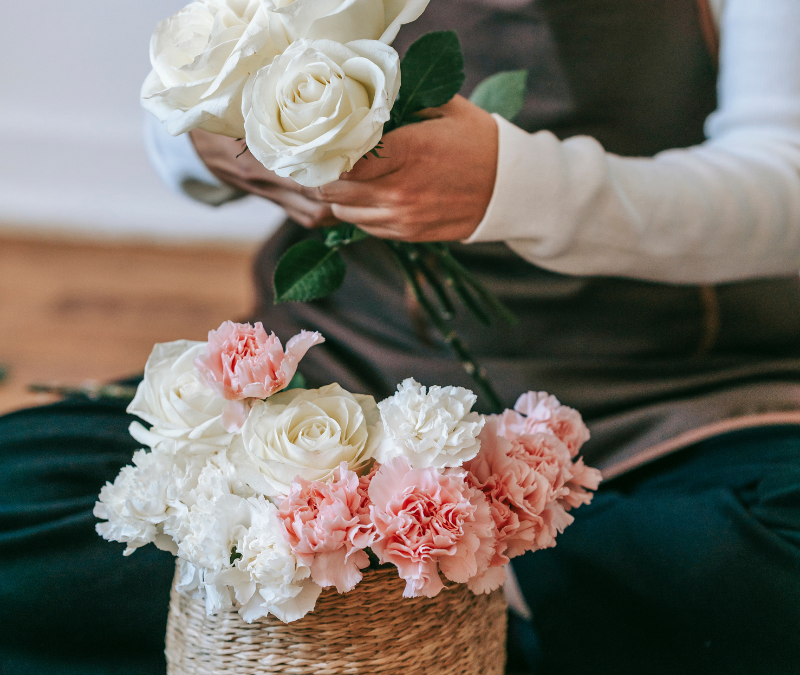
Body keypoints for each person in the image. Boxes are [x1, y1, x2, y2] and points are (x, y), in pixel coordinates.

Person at [2, 0, 799, 673]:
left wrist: (512, 186)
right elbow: (178, 105)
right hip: (343, 396)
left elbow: (782, 180)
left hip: (677, 409)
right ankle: (485, 608)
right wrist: (212, 143)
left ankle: (337, 611)